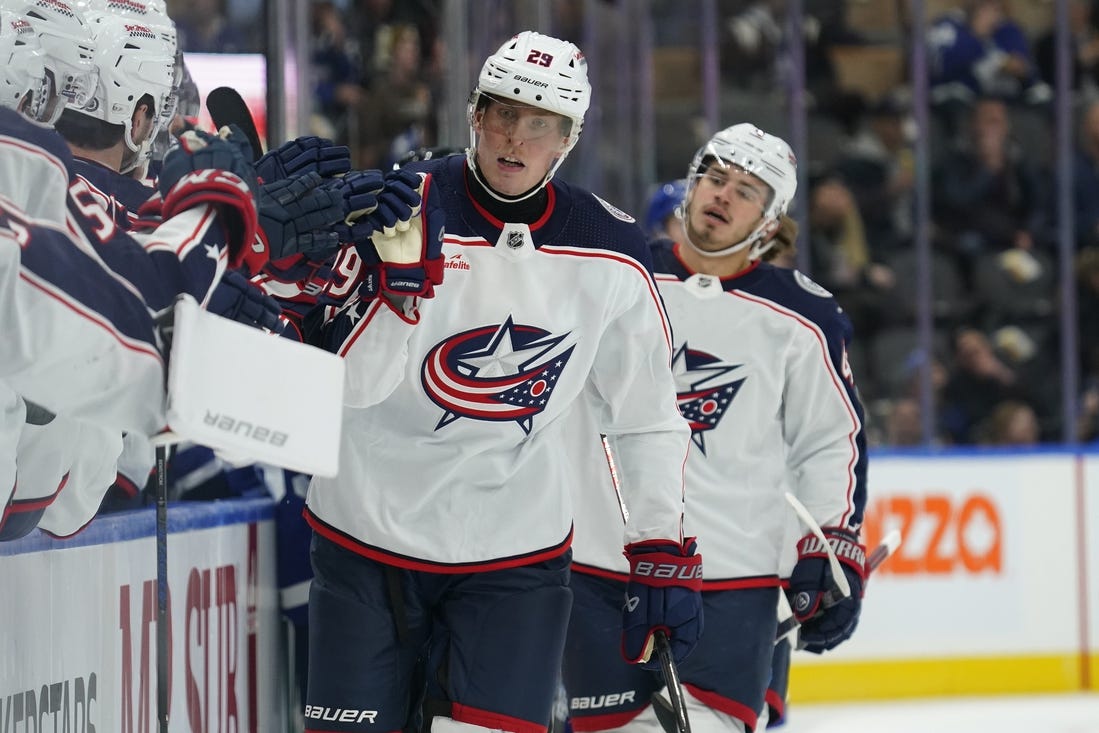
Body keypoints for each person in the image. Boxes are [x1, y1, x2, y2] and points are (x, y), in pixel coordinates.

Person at [302, 30, 701, 733]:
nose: (516, 138)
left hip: (514, 558)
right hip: (365, 537)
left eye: (541, 124)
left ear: (567, 139)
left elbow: (645, 413)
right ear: (474, 115)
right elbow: (344, 390)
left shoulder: (610, 249)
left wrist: (658, 541)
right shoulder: (394, 205)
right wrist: (393, 295)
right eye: (503, 114)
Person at [565, 123, 870, 733]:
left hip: (733, 580)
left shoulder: (804, 315)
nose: (723, 195)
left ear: (770, 219)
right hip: (599, 565)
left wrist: (830, 547)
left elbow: (829, 442)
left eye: (747, 190)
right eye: (715, 177)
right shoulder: (618, 272)